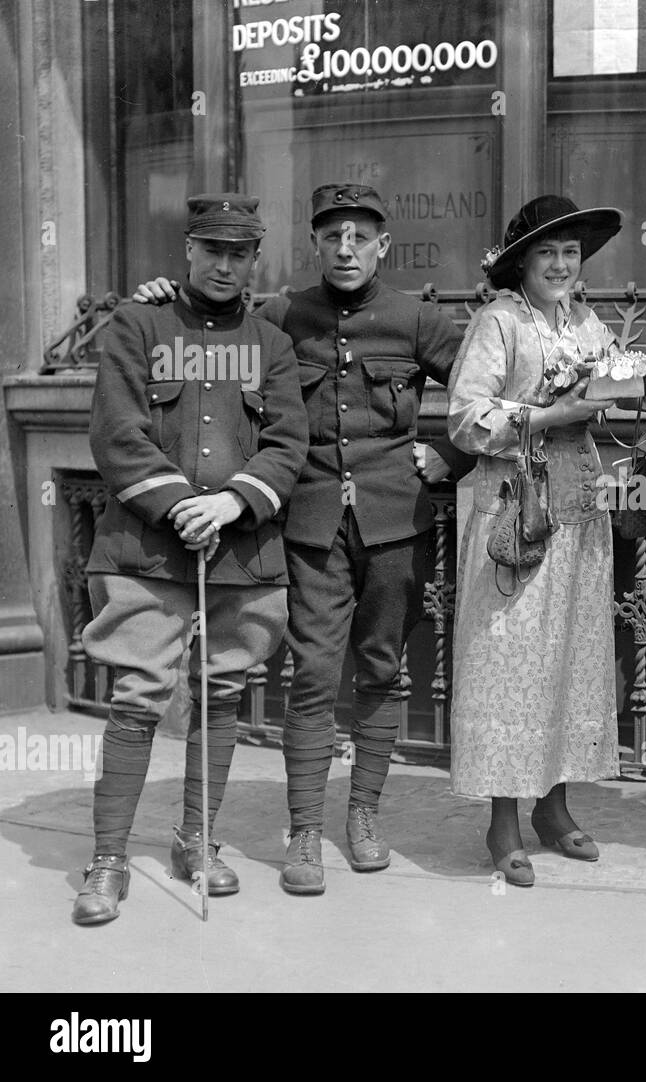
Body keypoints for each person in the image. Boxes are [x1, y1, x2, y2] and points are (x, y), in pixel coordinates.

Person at [134, 183, 475, 896]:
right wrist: (164, 301)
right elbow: (207, 335)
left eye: (360, 237)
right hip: (311, 524)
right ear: (315, 245)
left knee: (381, 668)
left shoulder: (417, 318)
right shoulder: (282, 315)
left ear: (382, 244)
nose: (345, 249)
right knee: (313, 676)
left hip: (395, 522)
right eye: (332, 237)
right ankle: (306, 832)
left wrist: (453, 455)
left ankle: (365, 815)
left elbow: (490, 388)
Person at [447, 195, 646, 886]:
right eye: (548, 254)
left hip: (578, 503)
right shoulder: (498, 323)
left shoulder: (587, 322)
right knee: (508, 659)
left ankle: (553, 807)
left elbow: (627, 393)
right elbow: (466, 419)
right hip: (514, 506)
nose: (563, 264)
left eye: (571, 254)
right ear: (522, 264)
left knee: (569, 653)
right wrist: (552, 412)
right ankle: (503, 818)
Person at [72, 193, 307, 924]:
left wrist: (233, 502)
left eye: (240, 254)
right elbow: (117, 430)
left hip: (241, 549)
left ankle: (196, 839)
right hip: (144, 548)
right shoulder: (138, 325)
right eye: (213, 251)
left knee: (224, 694)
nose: (226, 265)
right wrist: (180, 504)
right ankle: (108, 859)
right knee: (139, 697)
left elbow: (289, 441)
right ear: (189, 252)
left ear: (254, 259)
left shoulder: (271, 343)